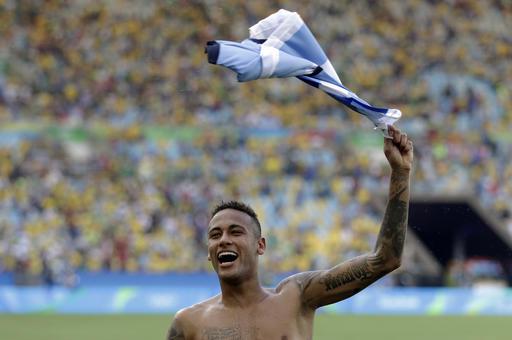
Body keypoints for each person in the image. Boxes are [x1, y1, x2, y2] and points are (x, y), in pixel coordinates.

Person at [167, 125, 413, 339]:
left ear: (260, 245)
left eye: (235, 232)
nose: (224, 240)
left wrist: (400, 173)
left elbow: (386, 259)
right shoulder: (188, 324)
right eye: (215, 235)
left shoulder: (296, 297)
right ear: (208, 253)